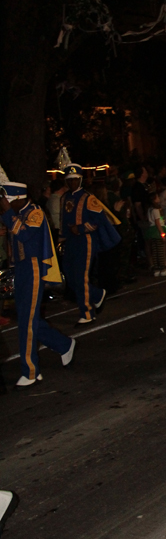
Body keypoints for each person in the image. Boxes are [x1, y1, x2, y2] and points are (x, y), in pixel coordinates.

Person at [0, 166, 75, 386]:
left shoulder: (34, 213)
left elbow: (24, 234)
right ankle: (63, 345)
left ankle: (31, 371)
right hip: (21, 269)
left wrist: (6, 213)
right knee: (27, 318)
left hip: (33, 269)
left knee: (27, 322)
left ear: (17, 199)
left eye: (6, 201)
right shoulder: (19, 213)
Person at [59, 156, 121, 324]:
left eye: (75, 180)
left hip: (85, 242)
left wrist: (79, 228)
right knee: (70, 278)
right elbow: (63, 221)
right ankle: (97, 294)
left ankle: (87, 312)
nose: (72, 183)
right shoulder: (64, 198)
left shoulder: (88, 198)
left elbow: (99, 221)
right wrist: (62, 239)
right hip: (70, 242)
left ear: (80, 180)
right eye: (69, 180)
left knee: (81, 277)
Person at [146, 192, 166, 277]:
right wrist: (162, 233)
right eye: (157, 197)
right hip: (157, 231)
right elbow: (157, 222)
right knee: (160, 250)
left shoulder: (149, 209)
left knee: (155, 251)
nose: (159, 198)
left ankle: (157, 269)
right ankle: (162, 268)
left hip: (152, 230)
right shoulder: (155, 210)